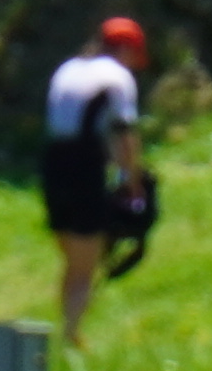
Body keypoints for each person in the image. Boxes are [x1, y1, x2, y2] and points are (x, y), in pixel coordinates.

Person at [41, 18, 153, 353]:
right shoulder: (116, 78)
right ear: (127, 50)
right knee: (85, 262)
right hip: (84, 166)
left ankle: (68, 328)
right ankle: (71, 337)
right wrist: (131, 182)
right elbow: (125, 136)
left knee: (72, 256)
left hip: (51, 163)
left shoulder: (68, 69)